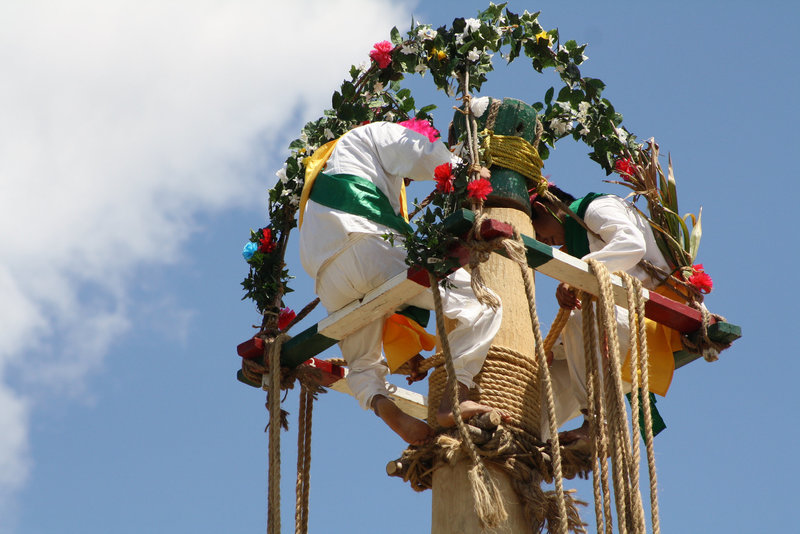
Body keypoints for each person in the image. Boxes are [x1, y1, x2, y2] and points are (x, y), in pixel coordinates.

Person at [298, 120, 503, 445]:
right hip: (368, 243)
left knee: (362, 363)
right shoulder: (371, 133)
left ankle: (382, 404)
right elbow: (423, 154)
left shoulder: (329, 168)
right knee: (484, 305)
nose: (408, 182)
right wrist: (463, 168)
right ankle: (456, 397)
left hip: (327, 276)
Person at [530, 185, 679, 443]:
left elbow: (631, 244)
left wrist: (579, 275)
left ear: (544, 209)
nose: (543, 241)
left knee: (580, 318)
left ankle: (597, 424)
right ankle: (534, 442)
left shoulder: (597, 207)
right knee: (544, 376)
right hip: (614, 335)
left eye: (538, 233)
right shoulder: (577, 240)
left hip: (641, 323)